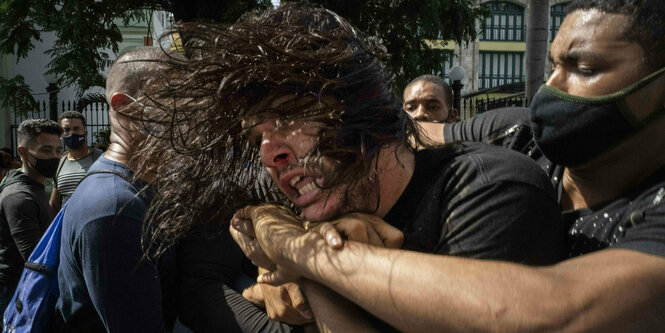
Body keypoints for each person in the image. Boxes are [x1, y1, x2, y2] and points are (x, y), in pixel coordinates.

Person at [233, 0, 665, 331]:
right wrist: (266, 213)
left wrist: (301, 253)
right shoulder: (516, 134)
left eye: (584, 67)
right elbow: (392, 136)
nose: (550, 89)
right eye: (553, 65)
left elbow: (549, 311)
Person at [133, 3, 566, 331]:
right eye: (256, 137)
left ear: (359, 105)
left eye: (288, 115)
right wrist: (273, 231)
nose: (270, 153)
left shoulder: (490, 193)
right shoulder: (310, 187)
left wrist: (300, 256)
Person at [54, 48, 177, 332]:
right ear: (124, 107)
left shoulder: (141, 186)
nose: (185, 113)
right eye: (171, 99)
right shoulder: (113, 209)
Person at [0, 119, 62, 314]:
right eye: (45, 150)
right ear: (23, 152)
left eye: (58, 150)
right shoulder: (19, 197)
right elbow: (36, 259)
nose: (55, 157)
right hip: (17, 292)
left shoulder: (36, 185)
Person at [49, 111, 103, 212]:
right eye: (67, 129)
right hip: (67, 225)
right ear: (61, 135)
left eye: (76, 129)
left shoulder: (101, 159)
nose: (72, 133)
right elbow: (54, 204)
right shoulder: (60, 163)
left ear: (85, 133)